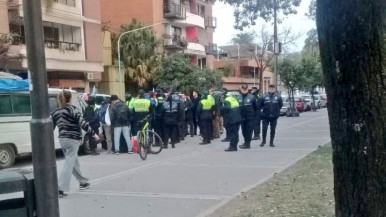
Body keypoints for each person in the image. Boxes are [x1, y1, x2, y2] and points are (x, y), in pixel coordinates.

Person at [51, 90, 99, 197]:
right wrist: (94, 134)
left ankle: (83, 182)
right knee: (69, 163)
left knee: (73, 161)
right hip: (73, 139)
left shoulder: (55, 112)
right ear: (70, 99)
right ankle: (60, 188)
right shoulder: (73, 110)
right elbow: (83, 123)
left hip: (62, 139)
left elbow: (51, 127)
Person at [239, 84, 259, 149]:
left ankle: (248, 144)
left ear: (247, 89)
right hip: (242, 117)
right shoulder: (239, 97)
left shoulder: (252, 97)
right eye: (243, 89)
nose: (244, 91)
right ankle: (245, 142)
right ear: (241, 90)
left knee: (249, 131)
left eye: (245, 89)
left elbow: (256, 107)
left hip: (250, 118)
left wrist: (254, 116)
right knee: (243, 131)